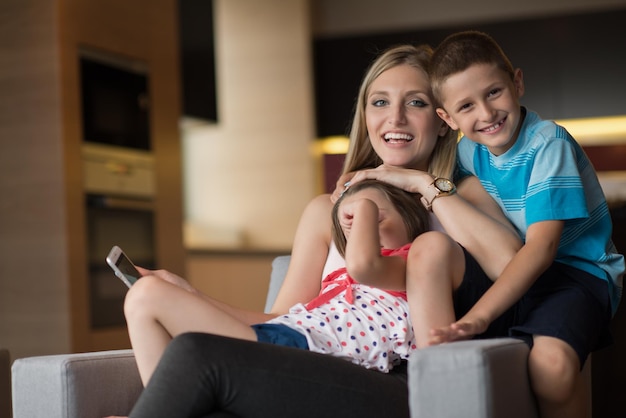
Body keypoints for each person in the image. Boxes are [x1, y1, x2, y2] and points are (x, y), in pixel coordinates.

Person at [116, 43, 522, 418]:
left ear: (444, 120)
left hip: (392, 376)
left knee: (192, 354)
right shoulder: (327, 211)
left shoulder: (460, 194)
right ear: (366, 117)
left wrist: (421, 185)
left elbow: (511, 265)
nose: (395, 118)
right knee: (153, 302)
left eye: (415, 102)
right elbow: (284, 322)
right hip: (313, 362)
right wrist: (188, 294)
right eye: (380, 102)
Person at [409, 30, 624, 418]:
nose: (486, 114)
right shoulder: (468, 151)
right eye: (467, 106)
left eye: (494, 93)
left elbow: (541, 250)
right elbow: (433, 187)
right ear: (447, 118)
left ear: (517, 82)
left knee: (551, 369)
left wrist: (479, 316)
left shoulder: (548, 145)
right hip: (515, 273)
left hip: (576, 274)